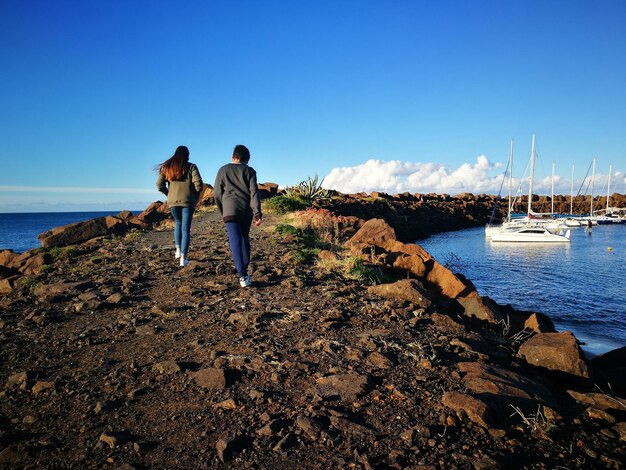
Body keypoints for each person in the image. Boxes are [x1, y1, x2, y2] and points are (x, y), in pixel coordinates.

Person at [214, 144, 262, 287]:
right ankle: (244, 265)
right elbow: (254, 193)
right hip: (245, 211)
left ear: (233, 157)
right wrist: (257, 213)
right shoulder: (250, 171)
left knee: (234, 240)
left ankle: (242, 275)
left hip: (229, 211)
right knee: (244, 237)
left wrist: (222, 210)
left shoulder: (223, 170)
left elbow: (217, 193)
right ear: (247, 159)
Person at [156, 145, 203, 267]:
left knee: (178, 223)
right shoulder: (191, 166)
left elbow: (159, 184)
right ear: (187, 155)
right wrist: (196, 196)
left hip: (173, 202)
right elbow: (198, 184)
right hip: (188, 202)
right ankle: (184, 257)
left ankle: (177, 250)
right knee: (185, 228)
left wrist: (168, 194)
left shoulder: (168, 167)